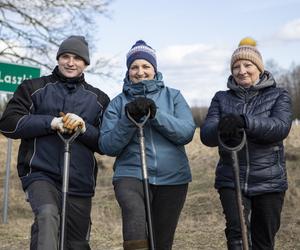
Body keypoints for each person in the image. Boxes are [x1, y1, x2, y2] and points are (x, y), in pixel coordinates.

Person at [0, 35, 110, 250]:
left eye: (77, 58)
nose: (71, 62)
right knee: (47, 215)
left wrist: (84, 128)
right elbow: (8, 124)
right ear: (58, 58)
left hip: (80, 180)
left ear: (85, 63)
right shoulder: (33, 88)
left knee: (77, 243)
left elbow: (105, 144)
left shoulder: (99, 99)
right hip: (41, 173)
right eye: (66, 56)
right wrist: (50, 122)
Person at [99, 40, 195, 250]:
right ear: (128, 71)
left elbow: (186, 132)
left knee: (161, 240)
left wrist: (155, 114)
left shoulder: (174, 96)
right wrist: (128, 119)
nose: (140, 72)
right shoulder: (117, 103)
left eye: (145, 66)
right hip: (129, 174)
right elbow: (107, 145)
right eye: (134, 67)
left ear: (155, 69)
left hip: (173, 177)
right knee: (134, 217)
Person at [200, 37, 293, 250]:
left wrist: (244, 122)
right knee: (237, 236)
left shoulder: (279, 95)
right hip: (231, 178)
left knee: (264, 240)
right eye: (236, 66)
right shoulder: (221, 98)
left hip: (269, 179)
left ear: (259, 68)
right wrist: (222, 128)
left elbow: (280, 127)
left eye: (247, 65)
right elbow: (207, 135)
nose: (241, 70)